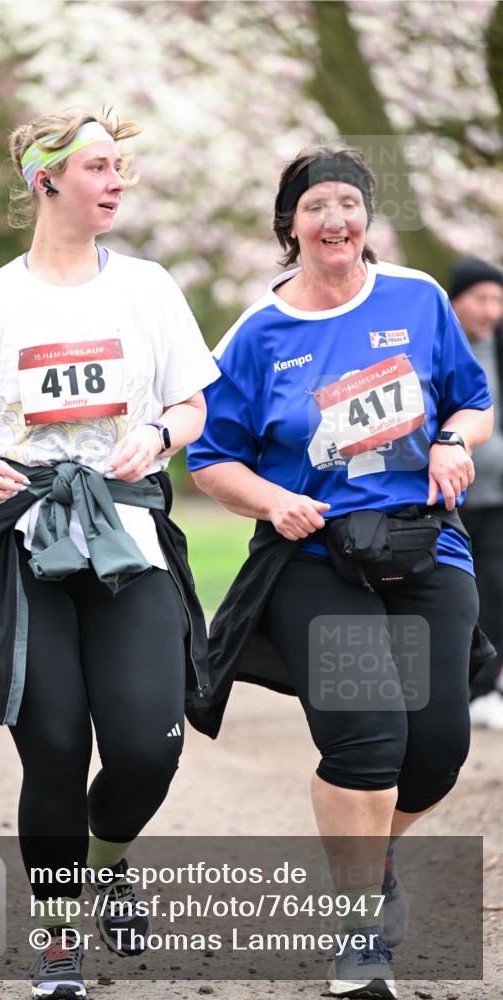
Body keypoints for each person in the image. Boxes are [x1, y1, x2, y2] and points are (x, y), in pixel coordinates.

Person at [0, 107, 219, 1000]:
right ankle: (56, 939)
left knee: (145, 749)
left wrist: (158, 434)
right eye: (98, 167)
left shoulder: (150, 287)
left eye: (121, 166)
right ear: (47, 180)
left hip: (127, 536)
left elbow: (193, 404)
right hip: (26, 541)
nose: (117, 181)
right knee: (50, 748)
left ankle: (107, 857)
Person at [186, 145, 494, 1000]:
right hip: (314, 554)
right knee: (367, 743)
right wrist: (271, 502)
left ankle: (375, 857)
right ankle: (357, 933)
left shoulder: (419, 298)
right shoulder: (256, 333)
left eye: (348, 205)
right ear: (290, 224)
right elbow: (211, 460)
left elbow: (472, 400)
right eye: (316, 206)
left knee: (434, 751)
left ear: (366, 217)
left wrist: (448, 442)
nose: (335, 221)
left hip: (423, 542)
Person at [449, 256, 503, 730]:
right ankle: (457, 686)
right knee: (459, 593)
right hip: (452, 500)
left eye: (497, 299)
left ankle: (486, 687)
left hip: (499, 499)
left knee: (496, 591)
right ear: (455, 302)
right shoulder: (442, 346)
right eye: (480, 299)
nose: (490, 310)